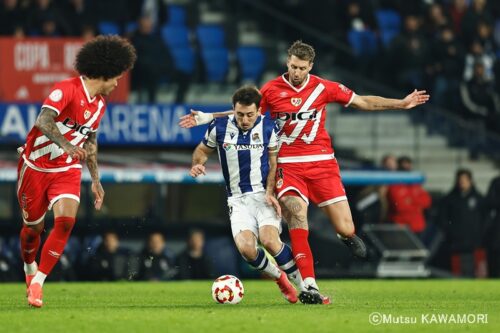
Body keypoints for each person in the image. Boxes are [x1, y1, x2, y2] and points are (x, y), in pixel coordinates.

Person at [180, 40, 429, 304]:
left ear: (310, 66)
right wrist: (209, 117)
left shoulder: (324, 87)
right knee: (298, 215)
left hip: (323, 163)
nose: (296, 72)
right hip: (288, 164)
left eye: (301, 67)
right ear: (287, 62)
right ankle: (309, 284)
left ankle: (343, 235)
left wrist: (400, 104)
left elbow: (362, 101)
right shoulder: (272, 90)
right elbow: (247, 113)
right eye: (292, 66)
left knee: (347, 227)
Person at [17, 35, 136, 308]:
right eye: (116, 77)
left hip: (67, 168)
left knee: (66, 222)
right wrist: (68, 145)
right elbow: (43, 120)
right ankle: (28, 267)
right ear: (104, 74)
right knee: (33, 230)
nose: (118, 83)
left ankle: (38, 284)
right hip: (35, 165)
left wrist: (96, 179)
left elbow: (91, 141)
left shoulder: (100, 104)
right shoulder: (65, 90)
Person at [190, 85, 304, 304]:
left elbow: (273, 163)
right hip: (237, 199)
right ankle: (280, 278)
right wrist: (197, 164)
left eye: (250, 114)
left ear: (259, 111)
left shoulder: (269, 128)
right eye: (240, 114)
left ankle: (305, 286)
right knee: (247, 250)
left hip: (263, 195)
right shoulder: (219, 127)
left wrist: (271, 192)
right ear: (233, 110)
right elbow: (203, 150)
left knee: (270, 240)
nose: (244, 119)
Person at [438, 169, 486, 277]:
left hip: (474, 243)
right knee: (457, 273)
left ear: (470, 181)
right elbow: (442, 219)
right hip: (455, 244)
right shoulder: (449, 200)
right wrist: (450, 232)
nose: (462, 182)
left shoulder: (479, 199)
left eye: (465, 180)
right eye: (460, 180)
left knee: (476, 272)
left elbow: (485, 219)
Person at [386, 156, 432, 238]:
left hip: (417, 227)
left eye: (408, 167)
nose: (406, 170)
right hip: (401, 227)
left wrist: (411, 201)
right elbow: (399, 206)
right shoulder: (394, 184)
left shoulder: (415, 183)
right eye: (403, 168)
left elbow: (427, 202)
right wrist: (417, 205)